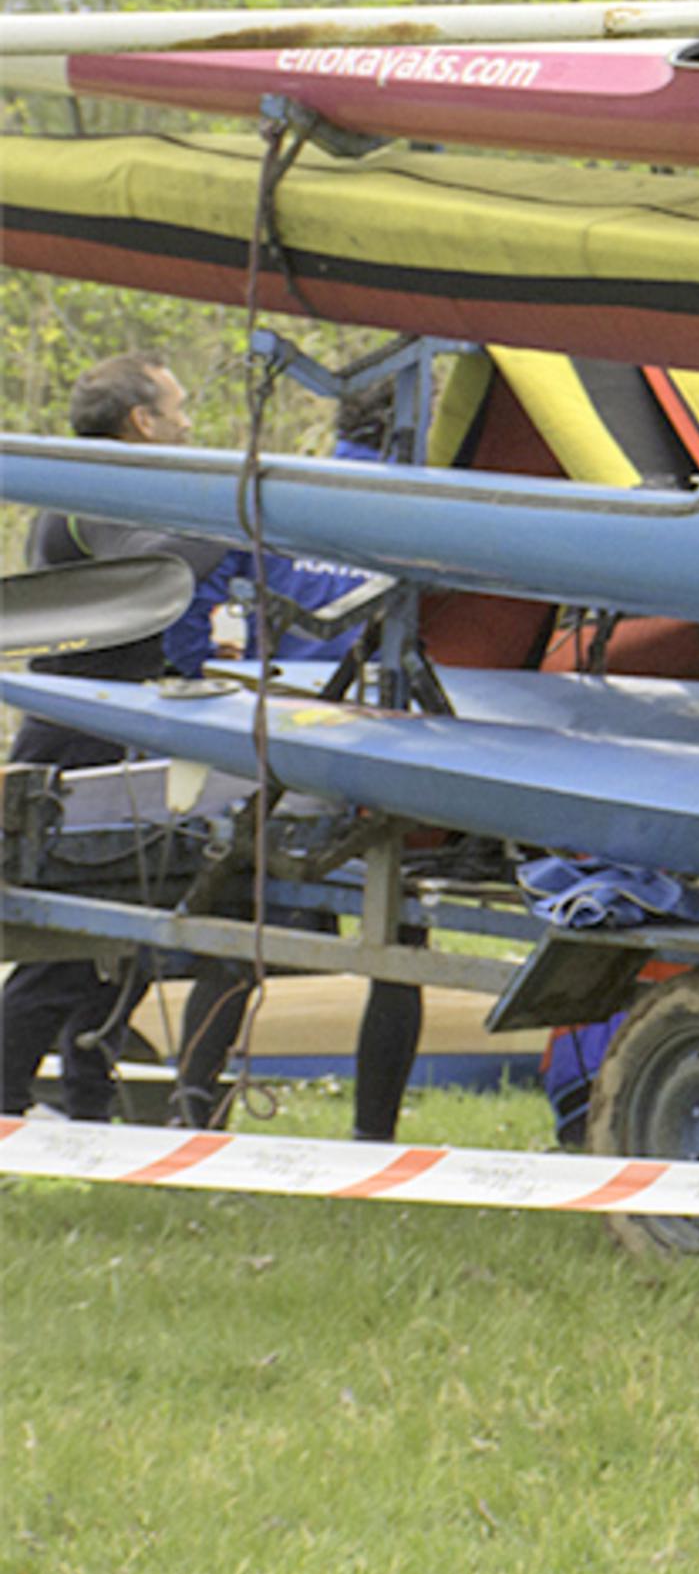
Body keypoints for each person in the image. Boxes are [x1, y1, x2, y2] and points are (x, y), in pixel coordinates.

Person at [1, 356, 377, 1127]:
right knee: (71, 940)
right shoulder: (92, 486)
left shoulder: (120, 487)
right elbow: (161, 563)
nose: (186, 422)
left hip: (121, 730)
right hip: (75, 741)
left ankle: (86, 1109)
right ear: (140, 420)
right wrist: (238, 507)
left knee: (122, 941)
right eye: (175, 409)